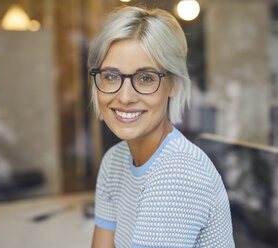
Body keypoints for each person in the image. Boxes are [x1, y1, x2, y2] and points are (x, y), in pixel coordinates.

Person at [88, 6, 235, 248]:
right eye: (112, 76)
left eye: (145, 78)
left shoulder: (179, 173)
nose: (125, 97)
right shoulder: (114, 162)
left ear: (173, 84)